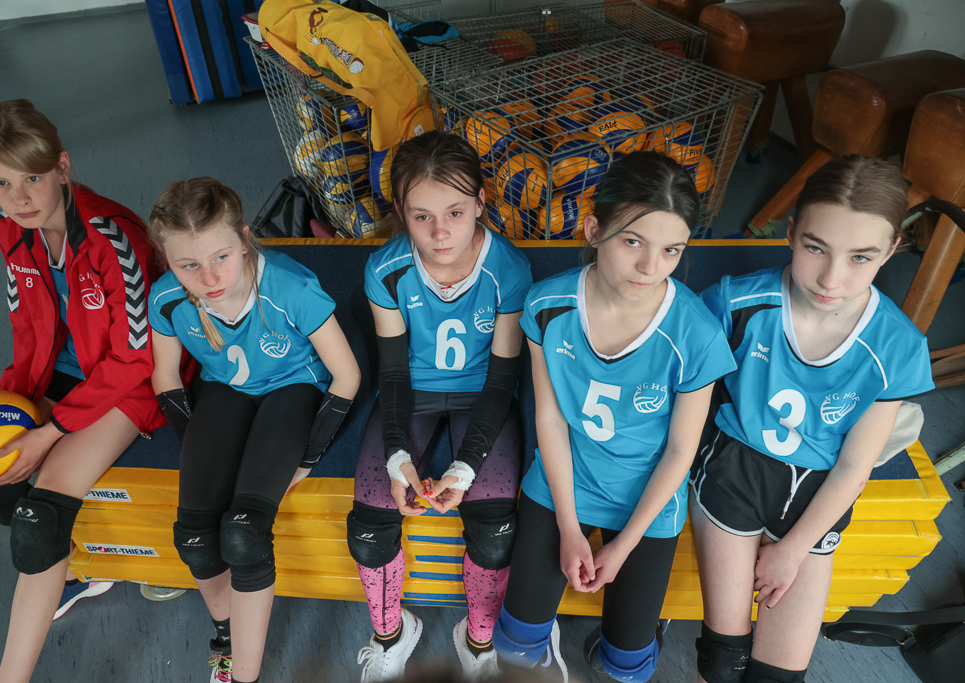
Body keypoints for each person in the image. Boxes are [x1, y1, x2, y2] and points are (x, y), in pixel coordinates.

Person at [492, 152, 737, 683]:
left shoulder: (696, 334)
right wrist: (568, 526)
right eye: (632, 242)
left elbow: (681, 451)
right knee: (514, 643)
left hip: (647, 496)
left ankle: (638, 628)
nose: (650, 267)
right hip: (565, 481)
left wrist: (623, 547)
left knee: (628, 664)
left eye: (671, 250)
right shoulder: (546, 306)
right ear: (593, 230)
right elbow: (550, 421)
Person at [690, 155, 935, 683]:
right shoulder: (736, 302)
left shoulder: (898, 346)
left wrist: (791, 552)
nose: (831, 278)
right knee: (724, 659)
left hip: (817, 489)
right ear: (790, 231)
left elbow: (853, 467)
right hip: (734, 469)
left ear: (893, 249)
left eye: (860, 257)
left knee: (779, 676)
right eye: (815, 248)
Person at [0, 99, 164, 683]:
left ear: (62, 165)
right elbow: (27, 334)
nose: (20, 197)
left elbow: (135, 358)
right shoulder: (15, 234)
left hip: (131, 381)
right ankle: (84, 566)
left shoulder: (113, 238)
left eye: (33, 177)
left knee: (38, 517)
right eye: (2, 183)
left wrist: (49, 431)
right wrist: (8, 412)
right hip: (69, 374)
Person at [147, 177, 360, 683]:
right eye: (188, 265)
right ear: (167, 261)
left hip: (293, 389)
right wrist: (201, 454)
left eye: (220, 257)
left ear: (244, 239)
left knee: (243, 534)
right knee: (194, 539)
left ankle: (245, 677)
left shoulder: (290, 288)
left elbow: (347, 376)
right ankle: (226, 634)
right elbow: (165, 376)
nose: (208, 277)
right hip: (226, 391)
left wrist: (307, 458)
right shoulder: (168, 298)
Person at [347, 131, 533, 682]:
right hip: (414, 393)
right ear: (400, 211)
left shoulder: (508, 269)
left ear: (480, 202)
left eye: (455, 211)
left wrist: (466, 465)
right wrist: (397, 455)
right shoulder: (386, 269)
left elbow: (502, 378)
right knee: (368, 525)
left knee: (495, 528)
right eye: (421, 216)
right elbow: (393, 373)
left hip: (483, 393)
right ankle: (391, 635)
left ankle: (478, 642)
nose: (440, 232)